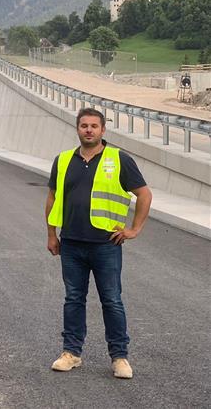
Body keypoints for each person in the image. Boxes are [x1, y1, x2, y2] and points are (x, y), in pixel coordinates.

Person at [45, 108, 152, 379]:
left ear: (103, 130)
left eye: (94, 126)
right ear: (78, 129)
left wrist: (134, 229)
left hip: (105, 244)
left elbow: (144, 194)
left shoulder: (119, 159)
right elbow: (52, 198)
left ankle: (119, 357)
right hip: (70, 243)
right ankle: (71, 353)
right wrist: (51, 234)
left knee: (112, 300)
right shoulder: (63, 159)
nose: (89, 130)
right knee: (73, 299)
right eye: (84, 126)